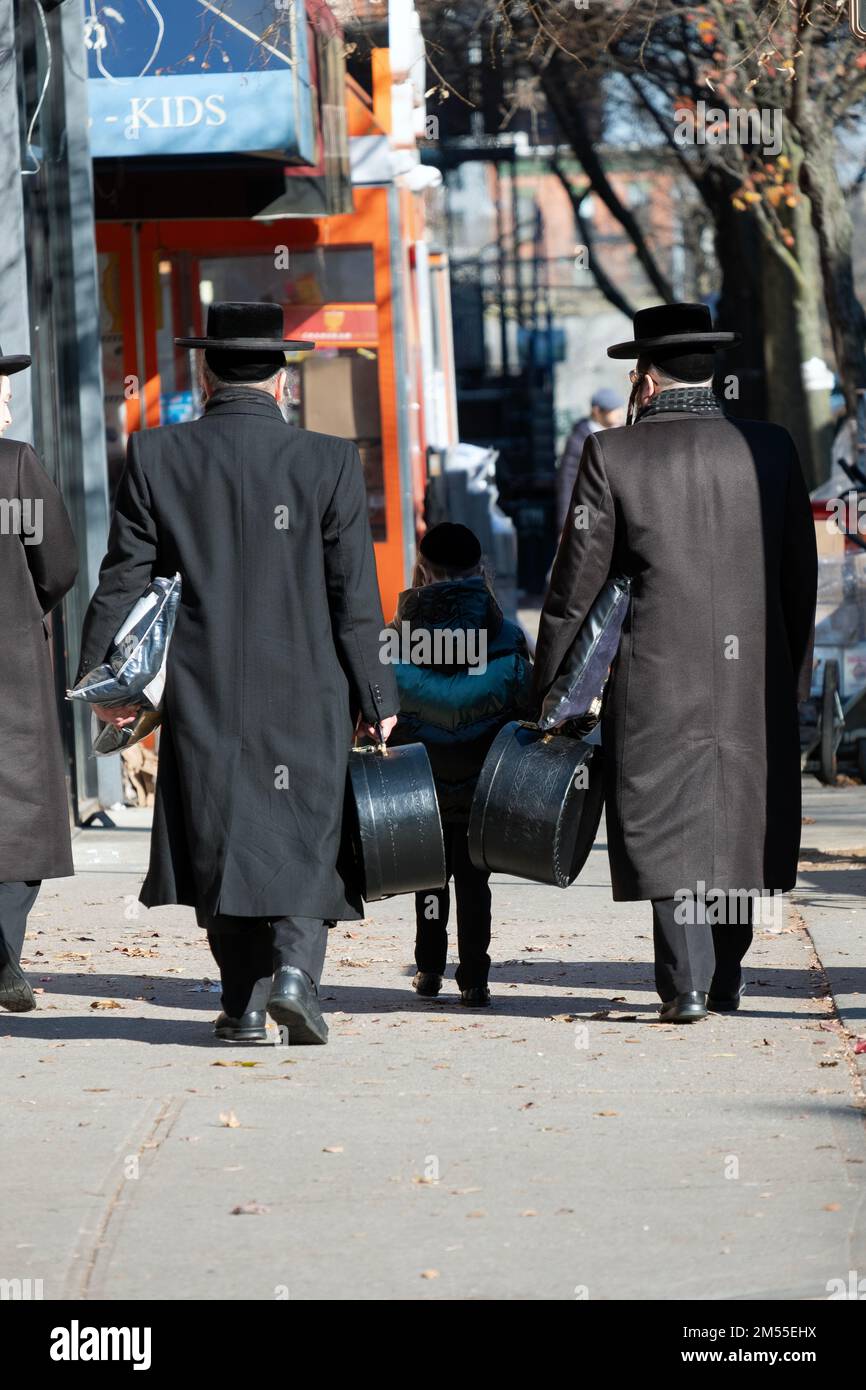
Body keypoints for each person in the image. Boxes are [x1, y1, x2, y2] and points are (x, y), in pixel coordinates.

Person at [79, 302, 398, 1046]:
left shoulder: (156, 453)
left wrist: (104, 682)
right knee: (304, 833)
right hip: (310, 684)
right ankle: (293, 977)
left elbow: (122, 579)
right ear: (281, 380)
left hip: (204, 686)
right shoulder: (329, 460)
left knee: (222, 840)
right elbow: (355, 597)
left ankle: (243, 1008)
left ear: (204, 371)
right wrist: (378, 695)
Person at [531, 303, 818, 1023]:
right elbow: (798, 579)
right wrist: (791, 673)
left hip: (655, 674)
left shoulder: (612, 455)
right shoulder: (774, 450)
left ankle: (686, 983)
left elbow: (576, 586)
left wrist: (547, 691)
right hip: (754, 675)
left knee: (667, 820)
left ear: (647, 382)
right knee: (744, 818)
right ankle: (724, 977)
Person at [387, 522, 532, 1006]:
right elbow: (527, 710)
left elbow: (381, 708)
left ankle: (429, 970)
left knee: (430, 877)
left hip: (418, 782)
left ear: (422, 570)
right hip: (483, 785)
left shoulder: (394, 639)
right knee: (474, 882)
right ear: (480, 570)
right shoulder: (508, 637)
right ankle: (475, 978)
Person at [0, 348, 78, 1011]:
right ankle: (4, 951)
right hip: (9, 672)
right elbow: (57, 564)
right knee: (19, 820)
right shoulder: (13, 463)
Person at [556, 388, 625, 532]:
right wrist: (565, 527)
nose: (620, 414)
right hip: (587, 511)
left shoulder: (623, 433)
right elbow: (568, 483)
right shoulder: (578, 442)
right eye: (613, 409)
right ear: (597, 411)